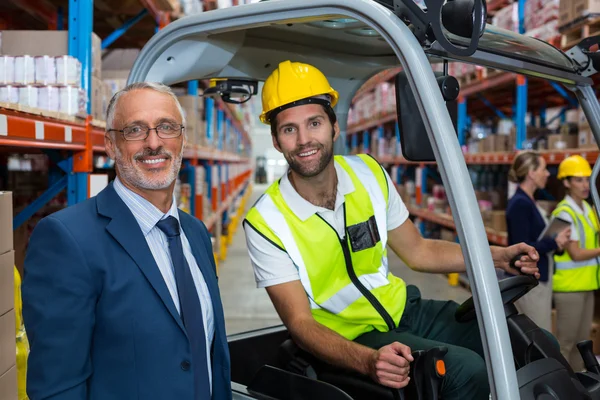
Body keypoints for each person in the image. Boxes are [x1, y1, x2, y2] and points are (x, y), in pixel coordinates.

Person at [243, 60, 540, 400]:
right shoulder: (266, 221)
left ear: (334, 128)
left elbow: (419, 251)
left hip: (404, 309)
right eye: (289, 129)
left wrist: (499, 257)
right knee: (465, 372)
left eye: (314, 123)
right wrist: (369, 361)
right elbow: (301, 324)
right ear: (277, 141)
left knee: (521, 341)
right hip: (351, 336)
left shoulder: (368, 173)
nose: (304, 139)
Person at [22, 82, 231, 400]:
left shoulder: (196, 233)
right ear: (111, 144)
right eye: (135, 130)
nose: (153, 143)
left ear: (182, 139)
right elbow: (57, 386)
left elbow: (207, 353)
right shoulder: (67, 238)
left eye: (166, 127)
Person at [505, 151, 571, 332]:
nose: (548, 173)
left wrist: (555, 242)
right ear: (532, 173)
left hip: (538, 277)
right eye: (543, 169)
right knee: (538, 334)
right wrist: (553, 241)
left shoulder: (529, 201)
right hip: (529, 280)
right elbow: (522, 246)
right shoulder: (520, 203)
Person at [551, 155, 600, 371]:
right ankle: (561, 385)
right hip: (569, 288)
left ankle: (579, 386)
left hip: (587, 285)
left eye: (586, 179)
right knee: (566, 343)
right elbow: (576, 254)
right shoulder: (564, 213)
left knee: (583, 344)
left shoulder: (588, 209)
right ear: (566, 182)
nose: (584, 185)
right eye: (578, 180)